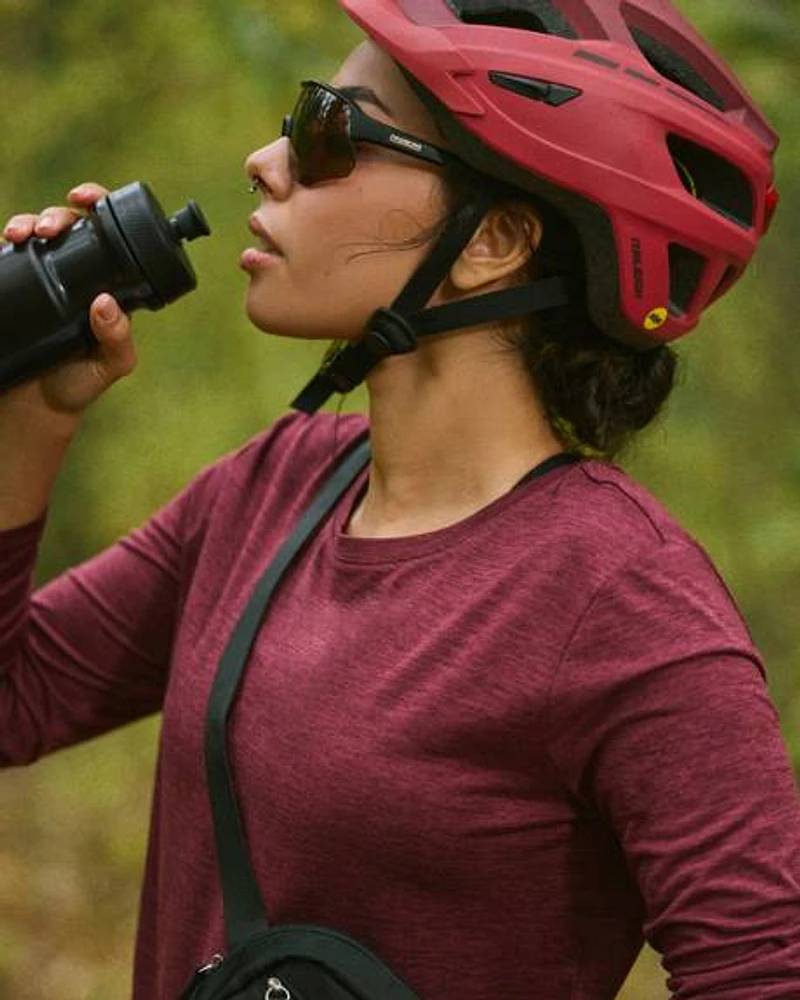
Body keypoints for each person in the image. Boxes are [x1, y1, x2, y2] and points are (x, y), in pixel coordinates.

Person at [1, 1, 799, 998]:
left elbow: (758, 970)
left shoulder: (621, 596)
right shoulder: (269, 487)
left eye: (328, 133)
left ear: (493, 240)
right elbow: (14, 696)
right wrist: (31, 413)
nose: (265, 159)